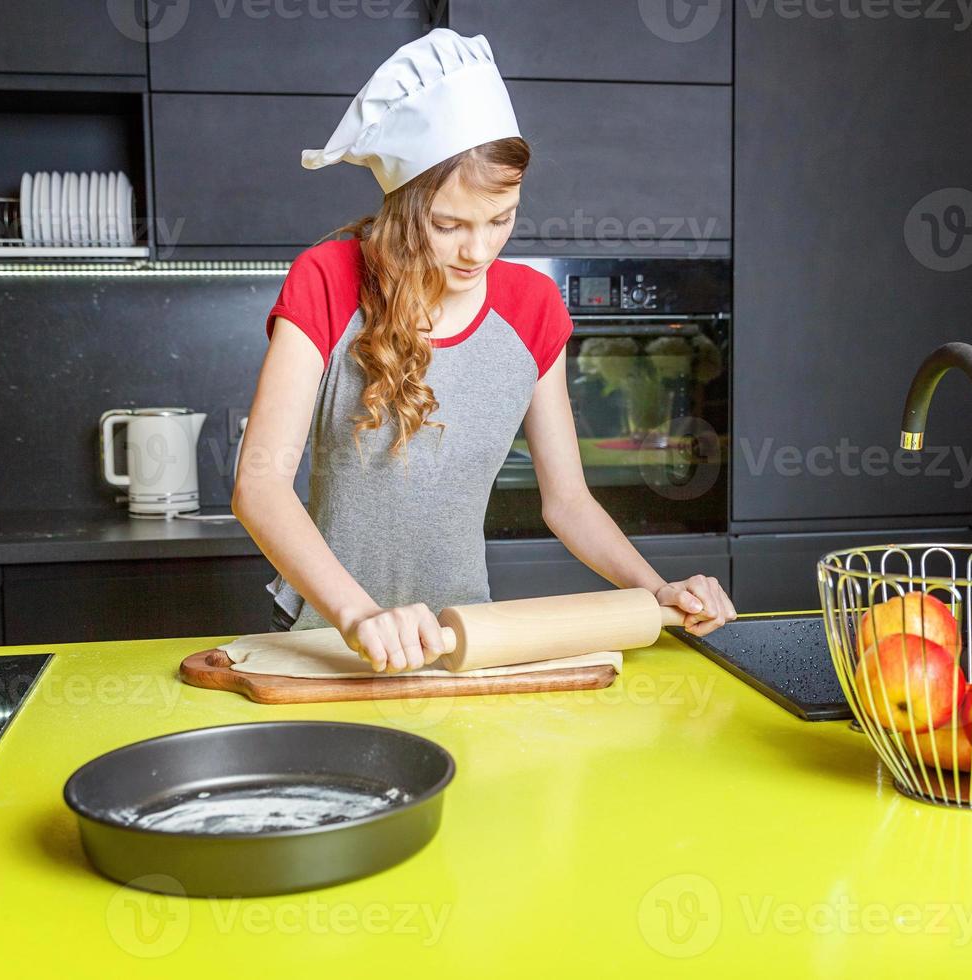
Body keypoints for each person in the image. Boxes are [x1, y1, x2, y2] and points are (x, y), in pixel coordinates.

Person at [233, 28, 734, 675]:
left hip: (467, 642)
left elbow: (569, 502)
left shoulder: (531, 308)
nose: (478, 250)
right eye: (449, 225)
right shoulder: (327, 281)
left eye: (501, 219)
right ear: (404, 207)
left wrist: (656, 589)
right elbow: (260, 484)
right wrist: (360, 617)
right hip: (327, 639)